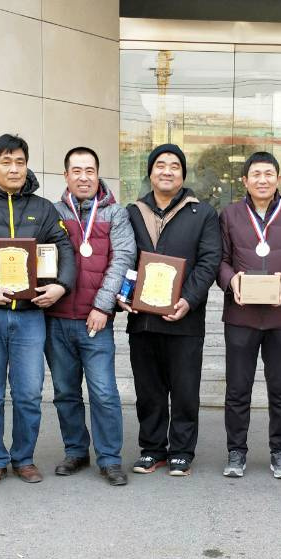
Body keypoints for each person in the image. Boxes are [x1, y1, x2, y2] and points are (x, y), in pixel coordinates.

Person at [0, 134, 76, 487]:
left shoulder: (44, 208)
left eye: (19, 162)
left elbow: (64, 249)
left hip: (30, 314)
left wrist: (61, 286)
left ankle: (23, 458)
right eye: (6, 162)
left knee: (28, 393)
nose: (13, 169)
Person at [120, 143, 221, 476]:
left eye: (174, 166)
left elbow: (209, 261)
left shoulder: (202, 213)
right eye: (160, 165)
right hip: (143, 320)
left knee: (185, 390)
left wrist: (188, 299)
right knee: (148, 390)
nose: (167, 171)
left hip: (184, 319)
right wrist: (124, 294)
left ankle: (181, 451)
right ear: (150, 172)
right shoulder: (133, 212)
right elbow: (124, 259)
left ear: (183, 174)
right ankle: (152, 449)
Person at [44, 147, 136, 486]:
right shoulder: (51, 212)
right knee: (65, 392)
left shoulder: (116, 213)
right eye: (77, 171)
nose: (84, 177)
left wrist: (102, 306)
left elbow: (122, 258)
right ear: (66, 175)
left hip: (95, 321)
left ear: (98, 175)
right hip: (56, 319)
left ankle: (109, 458)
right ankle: (75, 450)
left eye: (90, 171)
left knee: (104, 392)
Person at [218, 152, 281, 479]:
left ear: (278, 179)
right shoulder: (230, 215)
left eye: (268, 174)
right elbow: (221, 259)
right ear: (244, 180)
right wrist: (231, 281)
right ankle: (236, 451)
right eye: (255, 174)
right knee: (237, 389)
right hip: (240, 316)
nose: (262, 180)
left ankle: (279, 451)